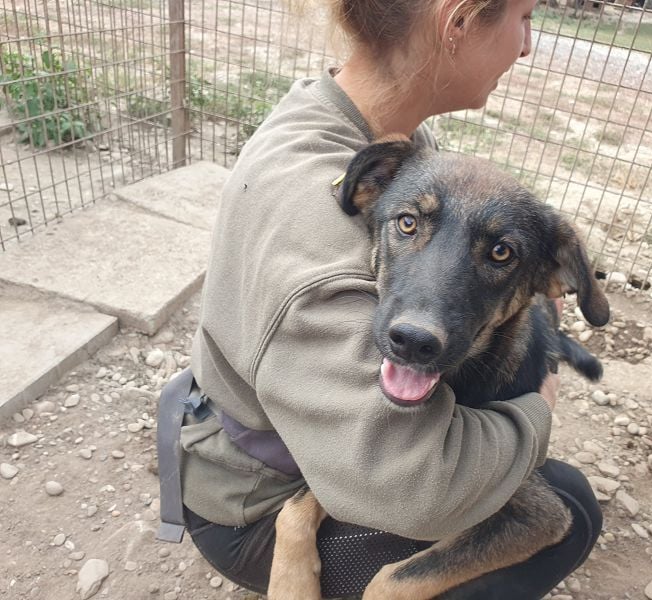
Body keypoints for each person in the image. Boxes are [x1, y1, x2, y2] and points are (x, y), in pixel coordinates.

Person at [163, 1, 603, 598]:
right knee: (568, 506)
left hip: (298, 435)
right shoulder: (315, 218)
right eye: (523, 17)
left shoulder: (357, 125)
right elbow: (412, 491)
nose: (526, 45)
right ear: (460, 20)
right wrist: (539, 410)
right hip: (250, 503)